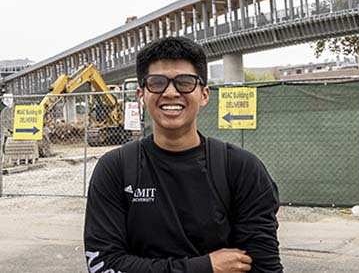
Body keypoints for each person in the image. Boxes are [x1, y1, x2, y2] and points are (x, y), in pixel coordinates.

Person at [84, 37, 282, 273]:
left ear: (205, 94)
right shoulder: (115, 169)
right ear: (141, 95)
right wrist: (204, 267)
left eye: (185, 82)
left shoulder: (241, 169)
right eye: (157, 83)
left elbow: (263, 267)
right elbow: (105, 265)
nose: (170, 92)